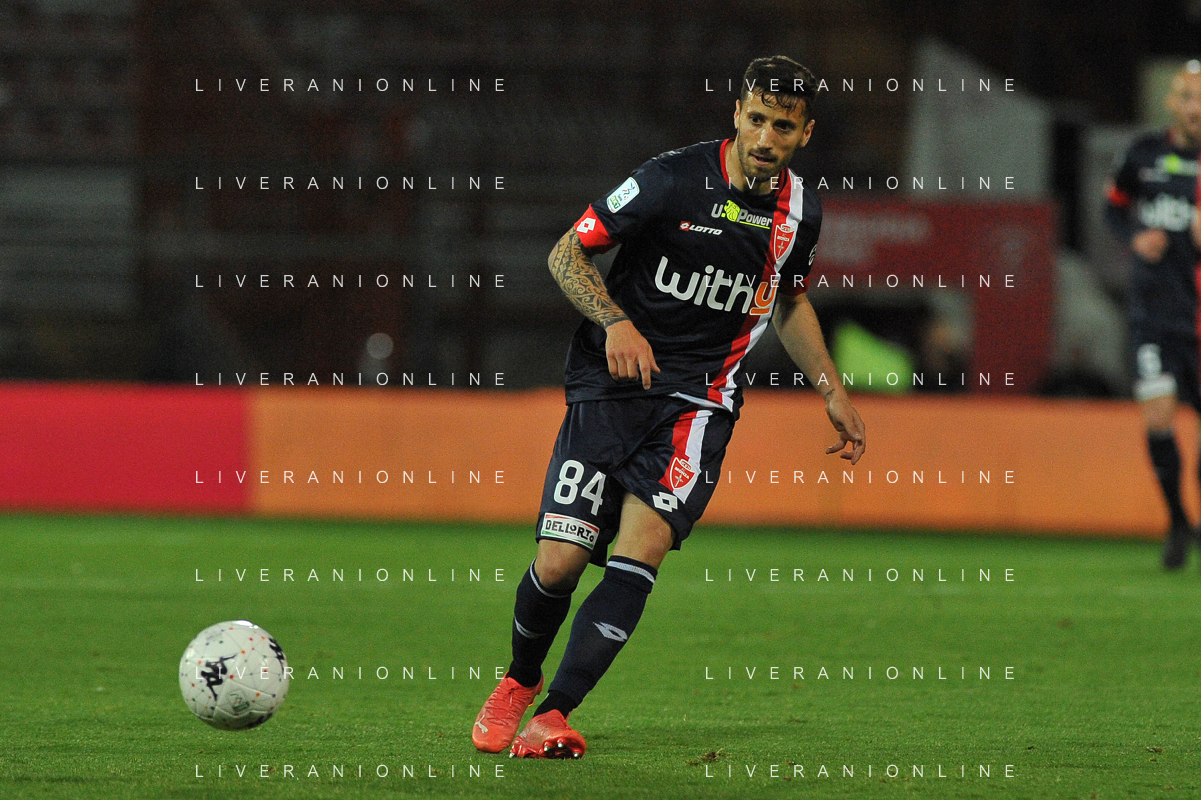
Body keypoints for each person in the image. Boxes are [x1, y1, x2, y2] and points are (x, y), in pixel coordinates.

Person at [471, 55, 865, 760]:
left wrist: (831, 390)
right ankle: (519, 680)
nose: (765, 138)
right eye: (755, 119)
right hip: (610, 388)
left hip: (699, 402)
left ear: (806, 133)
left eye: (783, 126)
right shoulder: (670, 179)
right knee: (559, 564)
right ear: (736, 114)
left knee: (641, 551)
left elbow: (788, 300)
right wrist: (616, 322)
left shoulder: (801, 211)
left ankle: (553, 714)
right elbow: (566, 254)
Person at [1107, 61, 1201, 570]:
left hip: (1200, 319)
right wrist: (1134, 238)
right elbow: (1113, 207)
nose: (1195, 107)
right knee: (1159, 417)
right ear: (1172, 102)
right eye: (1187, 96)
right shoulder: (1143, 153)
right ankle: (1177, 521)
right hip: (1154, 316)